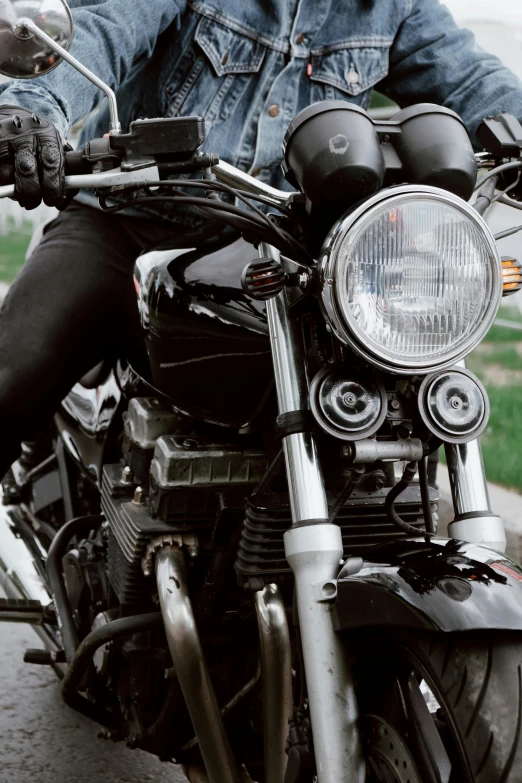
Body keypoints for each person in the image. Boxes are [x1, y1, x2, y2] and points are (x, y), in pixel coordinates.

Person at [0, 0, 521, 478]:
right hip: (128, 220)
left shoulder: (393, 9)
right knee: (14, 373)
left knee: (394, 413)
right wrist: (33, 110)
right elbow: (103, 30)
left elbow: (478, 82)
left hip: (278, 253)